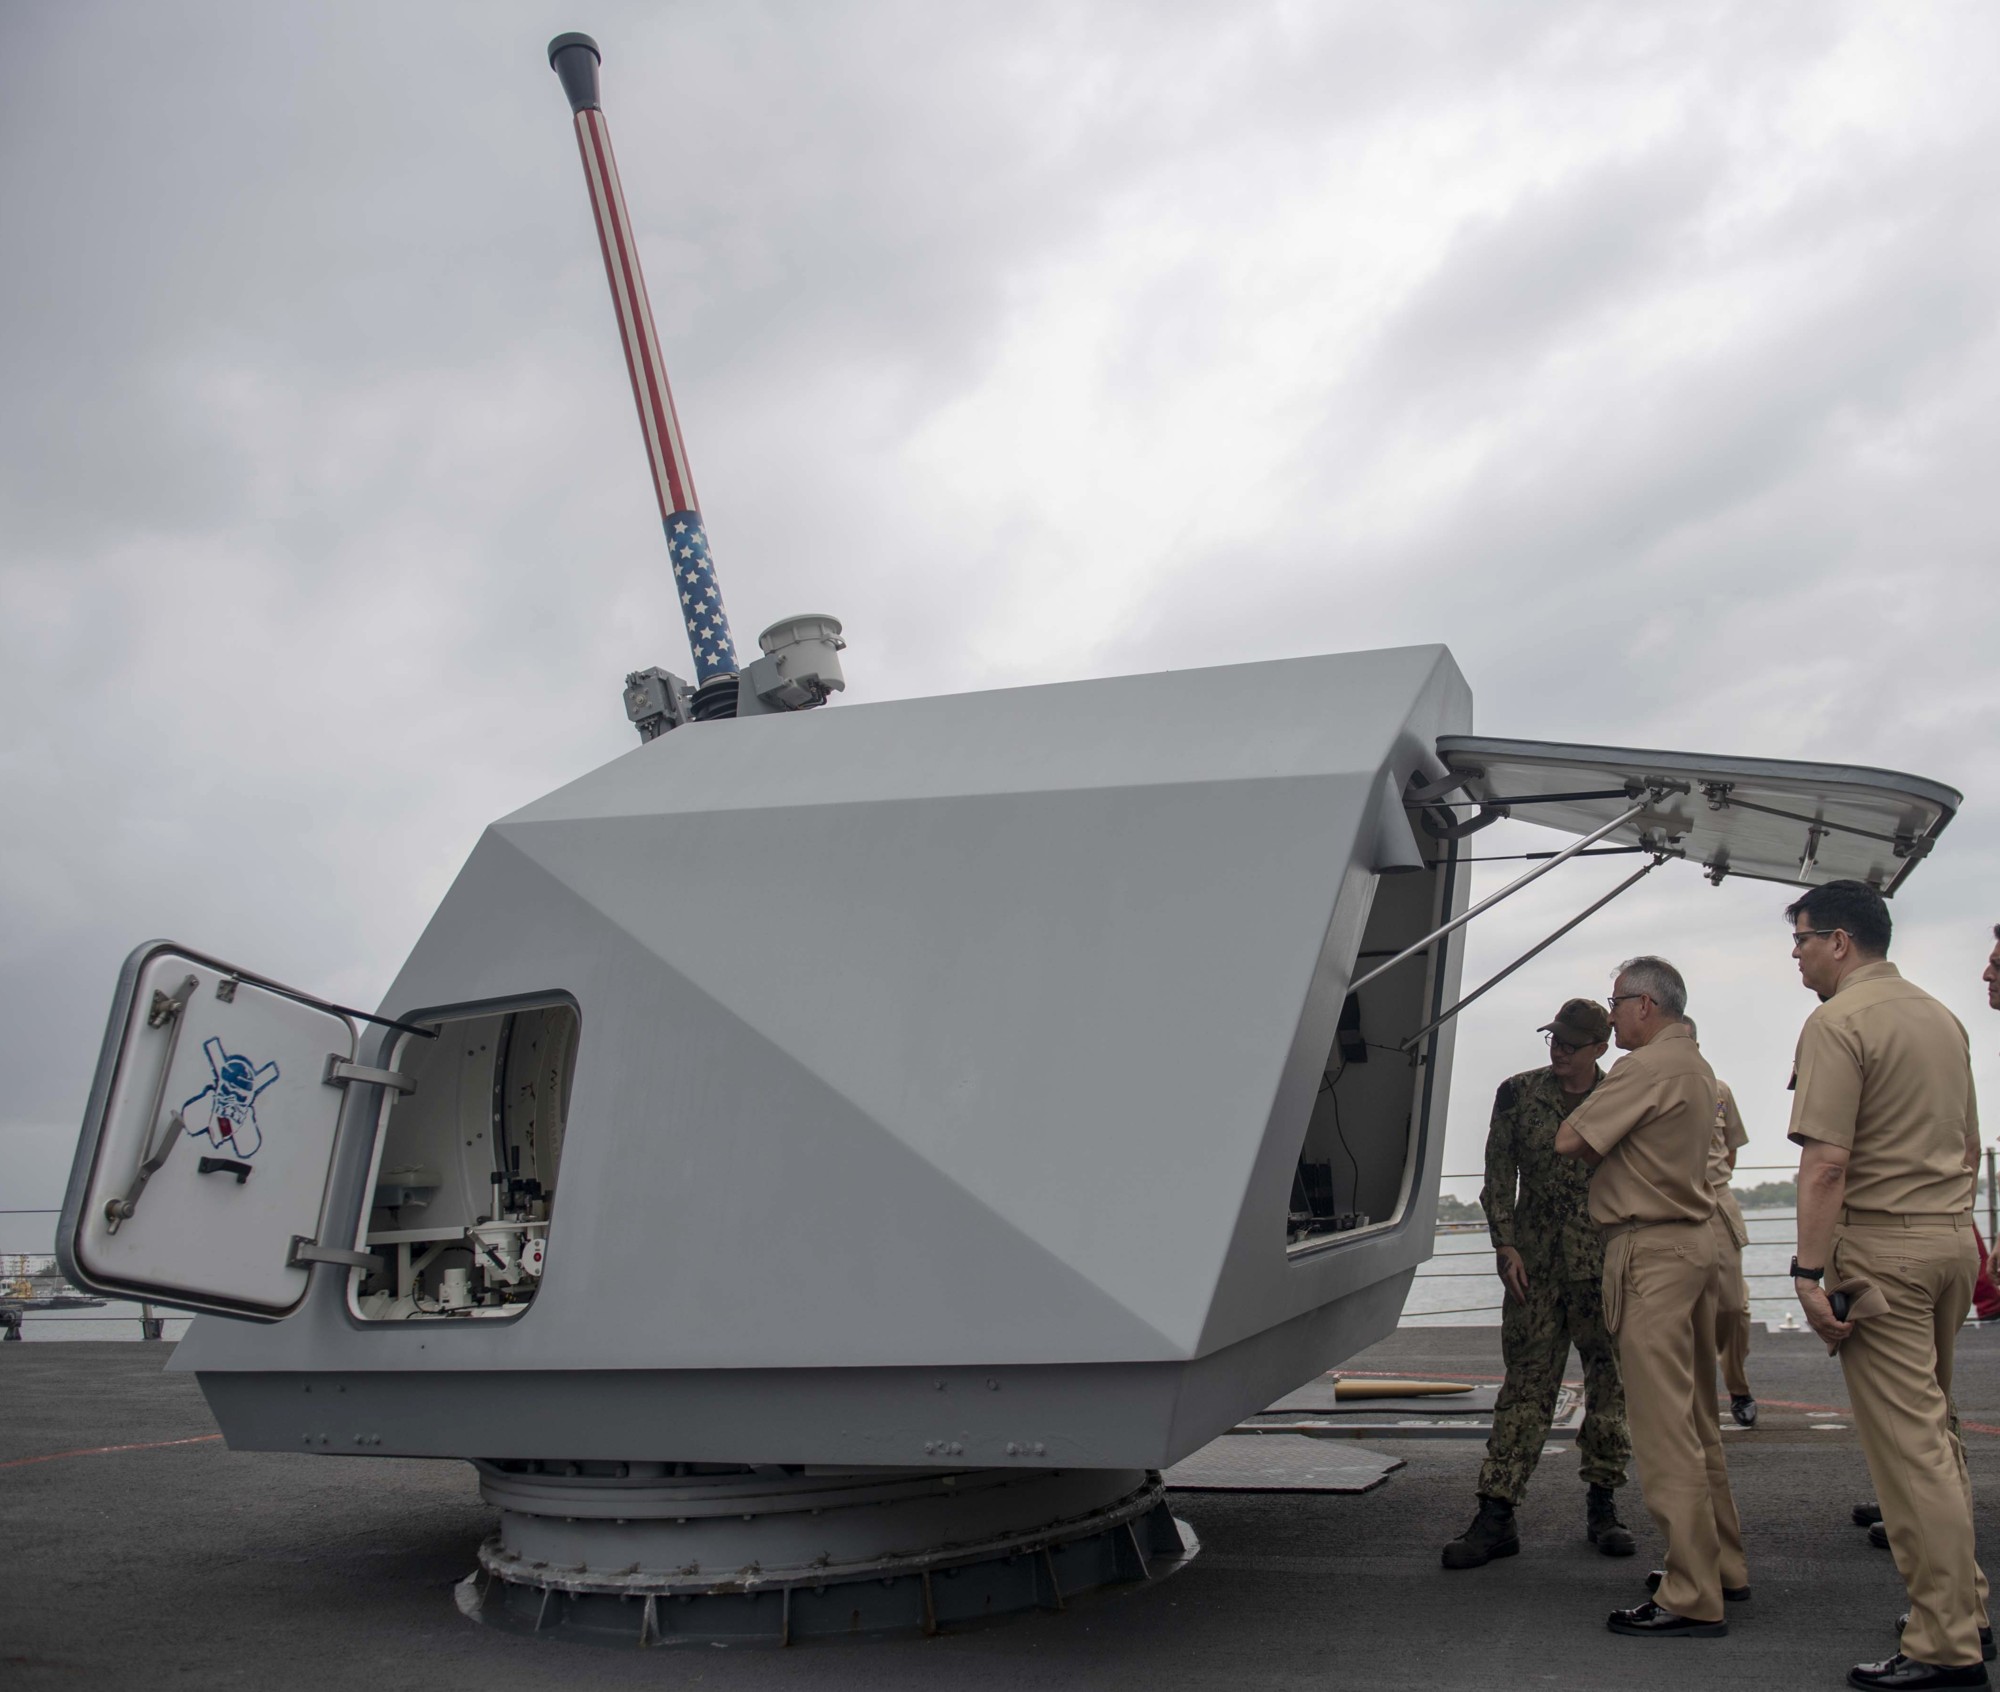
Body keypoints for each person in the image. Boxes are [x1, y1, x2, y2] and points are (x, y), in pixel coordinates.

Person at [1786, 880, 1990, 1690]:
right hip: (1948, 1243)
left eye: (1801, 940)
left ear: (1840, 941)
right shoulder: (1942, 1016)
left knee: (1910, 1456)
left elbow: (1826, 1162)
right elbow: (1970, 1146)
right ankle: (1965, 1610)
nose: (1796, 957)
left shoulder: (1839, 1022)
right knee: (1937, 1441)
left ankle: (1945, 1646)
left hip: (1884, 1256)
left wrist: (1806, 1273)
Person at [1556, 956, 1746, 1638]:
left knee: (1664, 1431)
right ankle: (1720, 1562)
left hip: (1651, 1253)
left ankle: (1691, 1591)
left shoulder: (1647, 1067)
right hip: (1695, 1246)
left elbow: (1570, 1137)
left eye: (1616, 1003)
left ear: (1644, 1005)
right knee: (1697, 1419)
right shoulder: (1696, 1064)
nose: (1609, 1016)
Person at [1441, 999, 1635, 1570]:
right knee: (1526, 1388)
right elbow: (1498, 1173)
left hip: (1603, 1266)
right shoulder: (1519, 1093)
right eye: (1553, 1039)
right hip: (1537, 1269)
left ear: (1600, 1047)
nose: (1558, 1051)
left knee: (1610, 1387)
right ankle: (1496, 1512)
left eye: (1572, 1044)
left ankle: (1604, 1504)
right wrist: (1504, 1243)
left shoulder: (1621, 1096)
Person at [1687, 1017, 1757, 1425]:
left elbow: (1729, 1151)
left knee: (1730, 1306)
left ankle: (1738, 1385)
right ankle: (1690, 1398)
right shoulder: (1649, 1087)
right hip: (1669, 1210)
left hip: (1716, 1204)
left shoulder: (1719, 1092)